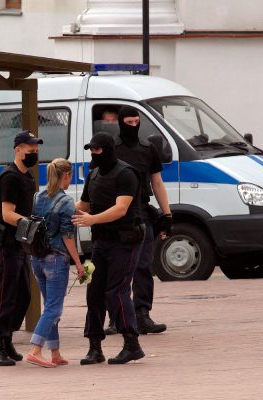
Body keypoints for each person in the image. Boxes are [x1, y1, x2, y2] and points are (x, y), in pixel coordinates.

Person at [72, 133, 145, 365]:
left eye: (98, 150)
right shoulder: (93, 174)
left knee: (117, 291)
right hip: (100, 243)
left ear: (108, 149)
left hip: (125, 241)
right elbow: (82, 205)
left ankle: (131, 344)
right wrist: (56, 206)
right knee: (94, 293)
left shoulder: (126, 174)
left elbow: (121, 209)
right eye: (91, 150)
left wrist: (92, 219)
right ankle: (95, 347)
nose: (94, 154)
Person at [103, 105, 173, 335]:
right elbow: (98, 180)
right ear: (120, 123)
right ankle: (116, 317)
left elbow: (157, 182)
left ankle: (142, 315)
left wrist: (167, 214)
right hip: (117, 213)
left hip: (142, 211)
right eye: (129, 123)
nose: (133, 127)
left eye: (136, 123)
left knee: (144, 265)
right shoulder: (110, 148)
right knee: (118, 267)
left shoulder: (148, 148)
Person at [0, 130, 43, 367]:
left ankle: (7, 338)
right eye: (30, 149)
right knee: (5, 295)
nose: (34, 153)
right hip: (5, 243)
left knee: (23, 295)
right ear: (18, 149)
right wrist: (32, 224)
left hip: (19, 243)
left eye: (36, 150)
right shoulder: (10, 177)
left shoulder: (27, 176)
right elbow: (7, 214)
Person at [26, 158, 84, 368]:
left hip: (37, 258)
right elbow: (68, 236)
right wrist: (78, 263)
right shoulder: (66, 201)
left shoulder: (37, 196)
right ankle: (35, 349)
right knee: (54, 309)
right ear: (66, 175)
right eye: (70, 176)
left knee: (49, 305)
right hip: (56, 260)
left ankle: (55, 352)